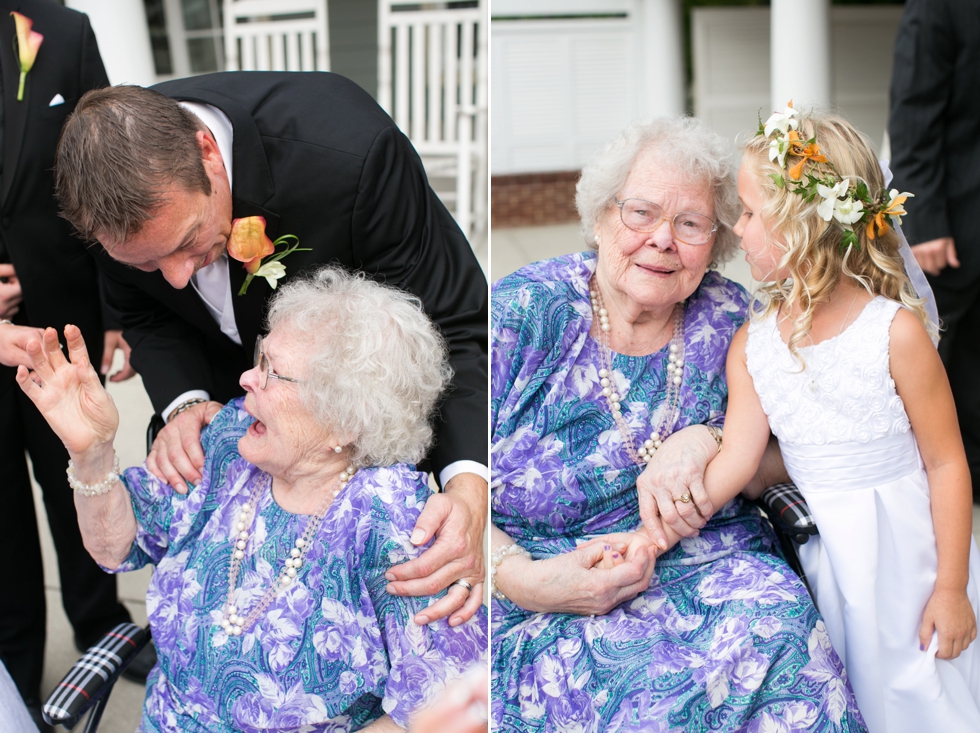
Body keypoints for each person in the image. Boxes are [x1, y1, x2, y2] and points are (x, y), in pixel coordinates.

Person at [53, 75, 488, 625]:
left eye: (187, 242)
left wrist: (469, 487)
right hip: (226, 421)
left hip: (342, 425)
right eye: (145, 265)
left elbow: (455, 320)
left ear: (207, 153)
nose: (178, 277)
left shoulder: (351, 155)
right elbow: (145, 313)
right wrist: (184, 405)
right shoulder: (99, 190)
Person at [490, 117, 866, 731]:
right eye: (640, 213)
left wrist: (709, 437)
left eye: (690, 224)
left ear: (716, 241)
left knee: (781, 626)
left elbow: (794, 454)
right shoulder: (524, 312)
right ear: (601, 217)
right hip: (543, 588)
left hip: (711, 568)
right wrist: (525, 580)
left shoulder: (734, 320)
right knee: (640, 700)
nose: (662, 239)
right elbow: (454, 477)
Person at [20, 266, 488, 732]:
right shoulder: (229, 443)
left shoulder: (396, 523)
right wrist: (92, 453)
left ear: (346, 421)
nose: (247, 379)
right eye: (259, 358)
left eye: (273, 373)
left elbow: (446, 707)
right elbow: (114, 546)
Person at [694, 106, 980, 731]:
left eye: (747, 212)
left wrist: (953, 588)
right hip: (828, 564)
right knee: (853, 697)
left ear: (800, 225)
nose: (735, 229)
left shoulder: (895, 334)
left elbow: (946, 462)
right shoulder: (755, 345)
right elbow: (738, 464)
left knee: (924, 696)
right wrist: (658, 525)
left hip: (914, 560)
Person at [0, 2, 142, 728]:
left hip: (60, 316)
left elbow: (106, 173)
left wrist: (117, 312)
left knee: (78, 475)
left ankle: (103, 624)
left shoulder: (63, 30)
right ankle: (15, 661)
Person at [887, 0, 980, 500]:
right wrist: (925, 223)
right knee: (935, 355)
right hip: (959, 224)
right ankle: (930, 486)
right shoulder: (938, 6)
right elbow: (913, 113)